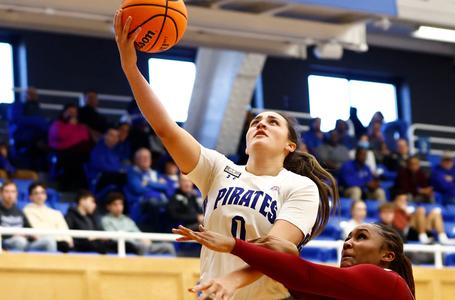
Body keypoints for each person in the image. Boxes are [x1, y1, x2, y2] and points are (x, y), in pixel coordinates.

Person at [114, 10, 338, 299]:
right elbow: (166, 129)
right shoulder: (218, 169)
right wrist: (131, 68)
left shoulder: (300, 187)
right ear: (245, 143)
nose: (261, 124)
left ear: (289, 146)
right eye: (256, 122)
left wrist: (232, 280)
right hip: (213, 294)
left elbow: (277, 250)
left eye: (272, 122)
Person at [174, 223, 415, 300]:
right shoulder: (355, 291)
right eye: (347, 237)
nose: (347, 243)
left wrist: (234, 245)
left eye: (361, 237)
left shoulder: (386, 280)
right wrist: (287, 254)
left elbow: (304, 276)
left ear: (388, 255)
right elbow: (299, 285)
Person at [101, 192, 176, 256]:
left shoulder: (127, 220)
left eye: (120, 204)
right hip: (126, 246)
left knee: (169, 246)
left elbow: (138, 233)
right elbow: (113, 238)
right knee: (141, 246)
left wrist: (144, 238)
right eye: (115, 204)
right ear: (108, 207)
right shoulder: (105, 220)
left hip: (140, 244)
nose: (118, 207)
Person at [0, 181, 56, 252]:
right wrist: (13, 235)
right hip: (6, 243)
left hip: (25, 243)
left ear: (16, 194)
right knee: (20, 241)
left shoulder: (19, 211)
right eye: (7, 191)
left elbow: (29, 229)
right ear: (1, 193)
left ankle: (50, 263)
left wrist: (32, 235)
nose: (10, 195)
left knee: (49, 240)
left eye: (13, 191)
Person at [124, 148, 169, 231]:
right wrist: (157, 186)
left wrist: (148, 183)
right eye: (143, 157)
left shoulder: (154, 173)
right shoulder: (132, 173)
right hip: (141, 207)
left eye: (148, 157)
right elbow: (138, 189)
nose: (146, 159)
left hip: (158, 205)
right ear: (136, 160)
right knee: (153, 202)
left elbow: (166, 187)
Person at [48, 103, 92, 190]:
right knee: (70, 161)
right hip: (61, 153)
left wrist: (72, 137)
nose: (72, 115)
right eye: (70, 112)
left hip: (79, 155)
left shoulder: (82, 126)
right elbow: (60, 137)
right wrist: (71, 127)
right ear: (64, 112)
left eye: (74, 112)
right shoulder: (57, 124)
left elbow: (84, 138)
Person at [391, 194, 455, 245]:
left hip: (418, 229)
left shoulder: (408, 210)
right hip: (407, 234)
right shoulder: (392, 211)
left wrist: (408, 213)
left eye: (405, 200)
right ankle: (422, 237)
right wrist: (404, 211)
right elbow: (400, 227)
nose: (404, 202)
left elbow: (414, 220)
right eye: (401, 200)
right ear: (396, 201)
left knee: (436, 212)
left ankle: (443, 238)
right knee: (420, 210)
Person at [23, 182, 73, 252]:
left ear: (46, 195)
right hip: (40, 243)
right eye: (36, 193)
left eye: (42, 193)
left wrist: (67, 240)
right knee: (50, 242)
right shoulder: (26, 211)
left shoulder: (56, 213)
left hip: (60, 243)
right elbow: (37, 233)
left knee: (66, 245)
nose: (40, 196)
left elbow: (65, 231)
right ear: (30, 197)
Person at [87, 127, 128, 191]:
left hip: (113, 179)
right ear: (105, 136)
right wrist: (120, 170)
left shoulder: (116, 151)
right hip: (99, 180)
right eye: (112, 135)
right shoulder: (97, 150)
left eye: (117, 136)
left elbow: (123, 165)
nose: (114, 138)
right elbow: (102, 166)